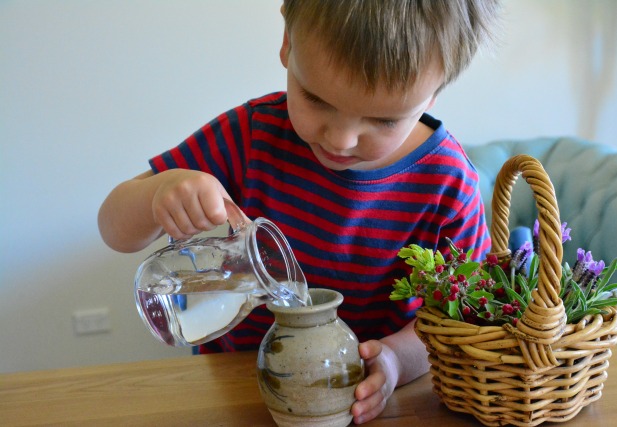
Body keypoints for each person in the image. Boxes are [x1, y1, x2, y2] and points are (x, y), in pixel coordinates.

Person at [98, 0, 500, 423]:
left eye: (382, 120)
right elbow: (114, 229)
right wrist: (159, 193)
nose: (341, 139)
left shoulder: (447, 184)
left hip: (361, 404)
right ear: (288, 44)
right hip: (233, 398)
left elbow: (461, 319)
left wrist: (398, 360)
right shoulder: (251, 135)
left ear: (435, 91)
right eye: (315, 99)